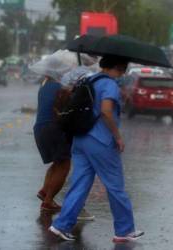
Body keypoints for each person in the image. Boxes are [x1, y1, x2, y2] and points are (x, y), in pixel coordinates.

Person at [49, 55, 144, 242]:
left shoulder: (88, 79)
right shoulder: (109, 85)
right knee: (115, 186)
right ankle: (124, 230)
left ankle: (61, 225)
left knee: (80, 183)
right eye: (122, 70)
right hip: (101, 141)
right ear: (118, 68)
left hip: (80, 139)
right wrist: (117, 136)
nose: (122, 74)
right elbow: (106, 111)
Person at [34, 73, 94, 220]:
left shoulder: (44, 86)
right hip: (54, 128)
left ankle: (45, 193)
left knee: (57, 163)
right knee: (64, 165)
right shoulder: (60, 89)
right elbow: (66, 109)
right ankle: (48, 201)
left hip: (40, 128)